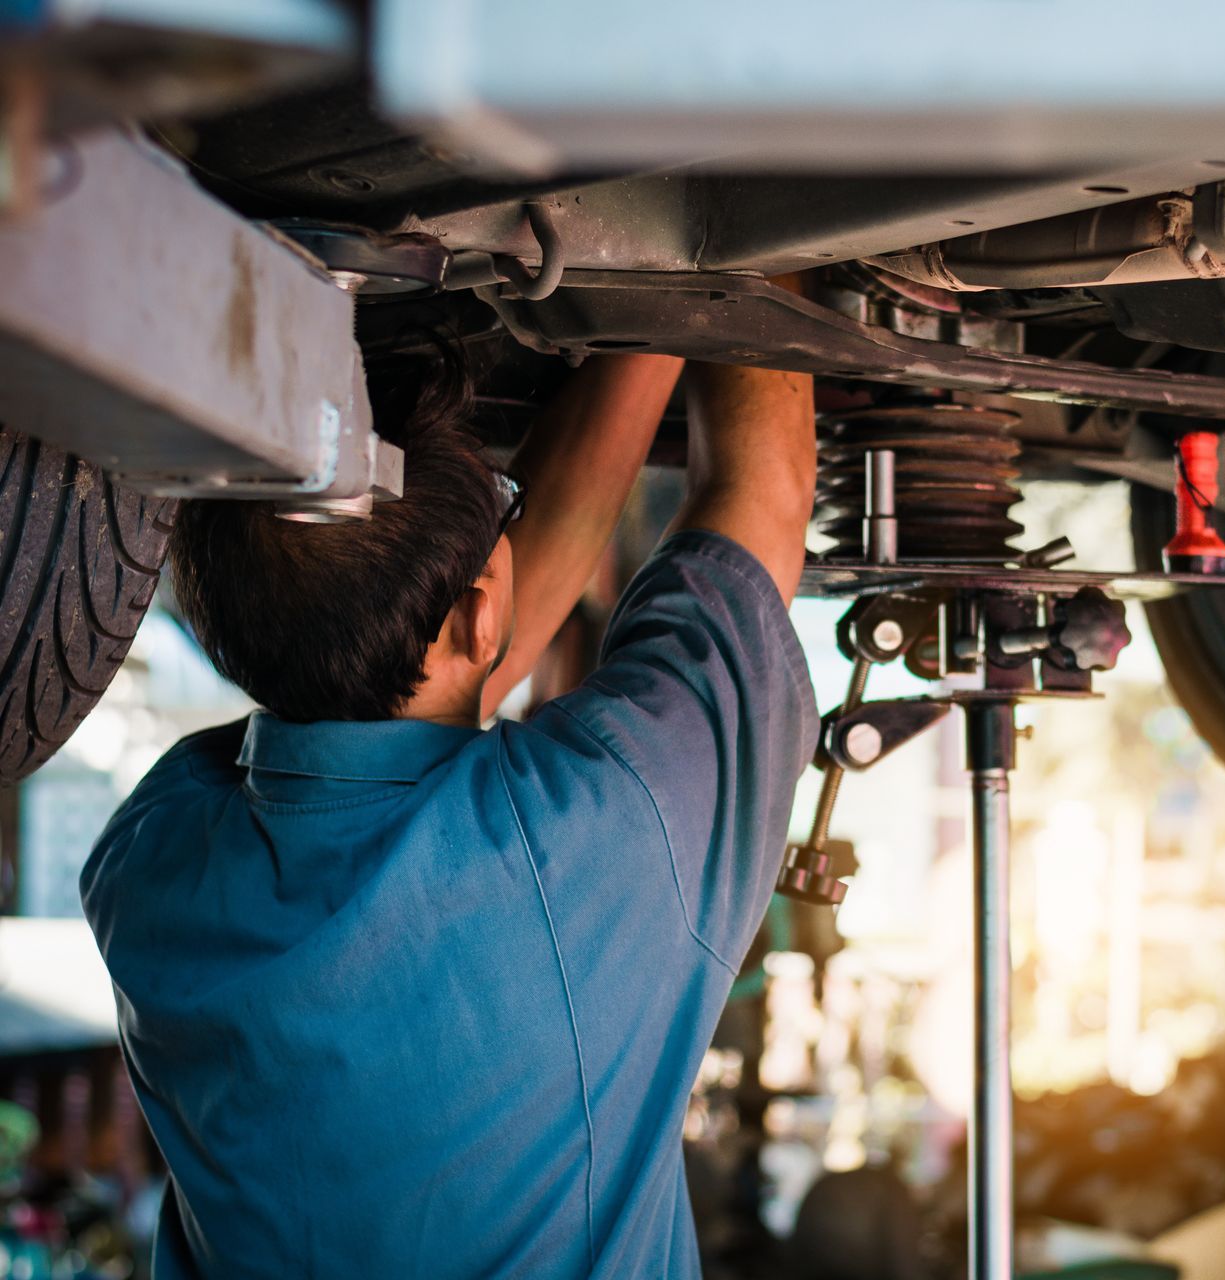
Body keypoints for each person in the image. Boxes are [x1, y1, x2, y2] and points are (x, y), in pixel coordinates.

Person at [79, 353, 819, 1278]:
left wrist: (686, 306)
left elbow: (762, 496)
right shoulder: (147, 860)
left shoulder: (149, 871)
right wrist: (686, 270)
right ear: (479, 618)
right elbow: (430, 673)